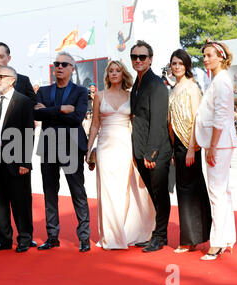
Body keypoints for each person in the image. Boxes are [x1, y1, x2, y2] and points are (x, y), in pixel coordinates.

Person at [86, 60, 155, 249]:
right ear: (107, 75)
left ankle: (126, 230)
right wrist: (88, 148)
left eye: (117, 70)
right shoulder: (99, 96)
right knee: (108, 191)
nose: (114, 73)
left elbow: (135, 124)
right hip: (105, 147)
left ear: (123, 74)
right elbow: (94, 124)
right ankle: (111, 236)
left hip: (125, 146)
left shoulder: (131, 95)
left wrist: (139, 149)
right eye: (110, 71)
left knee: (124, 190)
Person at [34, 51, 91, 252]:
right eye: (57, 63)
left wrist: (49, 112)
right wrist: (61, 109)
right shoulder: (43, 90)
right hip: (49, 146)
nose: (59, 67)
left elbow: (77, 118)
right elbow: (36, 114)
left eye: (64, 64)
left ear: (72, 68)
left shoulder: (81, 92)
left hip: (72, 147)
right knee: (50, 193)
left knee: (78, 192)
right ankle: (52, 237)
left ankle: (84, 237)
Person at [0, 66, 34, 253]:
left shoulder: (24, 102)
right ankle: (3, 240)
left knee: (20, 202)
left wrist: (25, 162)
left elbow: (29, 132)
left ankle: (25, 239)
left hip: (16, 160)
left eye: (1, 77)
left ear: (12, 80)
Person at [195, 40, 237, 261]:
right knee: (223, 192)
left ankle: (218, 242)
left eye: (210, 55)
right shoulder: (219, 80)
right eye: (204, 56)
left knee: (217, 193)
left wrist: (211, 146)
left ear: (221, 57)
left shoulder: (221, 81)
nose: (206, 59)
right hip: (220, 142)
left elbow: (220, 116)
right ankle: (227, 237)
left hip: (218, 144)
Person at [130, 40, 172, 252]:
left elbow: (158, 121)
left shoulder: (156, 84)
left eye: (142, 57)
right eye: (134, 57)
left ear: (150, 59)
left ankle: (160, 236)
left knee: (160, 194)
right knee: (154, 195)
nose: (138, 60)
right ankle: (157, 233)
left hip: (155, 150)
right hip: (140, 150)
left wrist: (151, 152)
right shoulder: (137, 85)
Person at [167, 49, 212, 253]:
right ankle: (191, 236)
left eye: (180, 63)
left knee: (190, 191)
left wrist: (192, 148)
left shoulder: (192, 88)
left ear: (186, 66)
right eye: (174, 63)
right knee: (184, 191)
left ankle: (190, 239)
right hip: (177, 145)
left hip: (189, 144)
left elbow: (196, 119)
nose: (176, 67)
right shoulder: (174, 88)